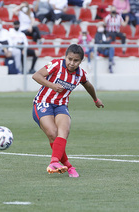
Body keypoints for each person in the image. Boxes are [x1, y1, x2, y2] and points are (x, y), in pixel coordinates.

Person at [32, 44, 104, 178]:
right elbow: (36, 76)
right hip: (43, 102)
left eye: (76, 61)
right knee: (53, 133)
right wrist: (52, 85)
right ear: (65, 57)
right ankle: (69, 166)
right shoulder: (56, 65)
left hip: (61, 106)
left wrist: (95, 99)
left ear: (80, 61)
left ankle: (54, 162)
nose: (71, 63)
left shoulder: (80, 74)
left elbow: (88, 85)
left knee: (63, 131)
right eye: (69, 59)